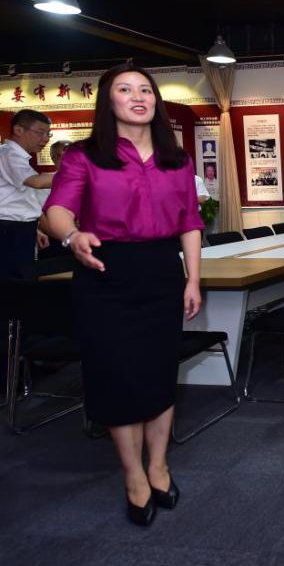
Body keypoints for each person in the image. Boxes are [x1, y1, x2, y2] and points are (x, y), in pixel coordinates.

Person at [43, 63, 204, 528]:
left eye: (145, 89)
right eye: (125, 89)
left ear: (156, 100)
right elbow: (57, 209)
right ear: (108, 101)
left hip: (161, 272)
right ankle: (133, 475)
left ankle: (159, 465)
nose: (138, 97)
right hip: (104, 272)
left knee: (159, 371)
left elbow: (190, 222)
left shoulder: (177, 159)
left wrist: (193, 279)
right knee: (117, 376)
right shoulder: (84, 156)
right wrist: (72, 235)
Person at [0, 109, 54, 278]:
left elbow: (22, 200)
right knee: (14, 282)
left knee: (23, 277)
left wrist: (36, 229)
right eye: (40, 132)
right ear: (19, 130)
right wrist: (78, 174)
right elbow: (36, 182)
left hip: (20, 229)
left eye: (48, 134)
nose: (45, 139)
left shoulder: (19, 159)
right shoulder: (8, 154)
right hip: (8, 231)